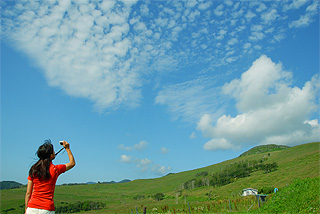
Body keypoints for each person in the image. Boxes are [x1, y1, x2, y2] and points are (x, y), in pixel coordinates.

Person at [25, 140, 75, 214]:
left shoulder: (33, 169)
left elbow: (28, 193)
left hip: (32, 208)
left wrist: (26, 209)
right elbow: (72, 163)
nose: (54, 152)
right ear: (51, 155)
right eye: (53, 151)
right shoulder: (55, 169)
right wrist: (67, 149)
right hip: (47, 208)